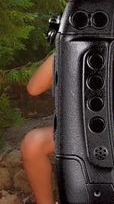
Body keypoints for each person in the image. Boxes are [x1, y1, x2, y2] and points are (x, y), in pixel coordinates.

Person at [21, 55, 56, 204]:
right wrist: (64, 45)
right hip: (82, 132)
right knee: (33, 143)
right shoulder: (78, 48)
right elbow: (34, 88)